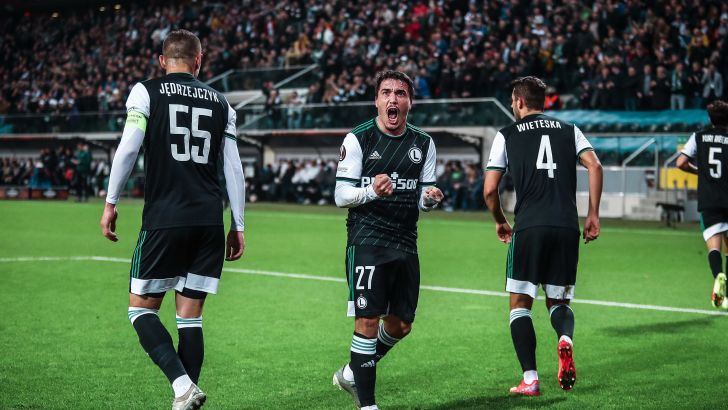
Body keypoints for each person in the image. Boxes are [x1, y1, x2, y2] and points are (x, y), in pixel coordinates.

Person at [99, 30, 246, 410]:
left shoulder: (145, 92)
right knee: (190, 319)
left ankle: (182, 386)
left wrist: (111, 201)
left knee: (140, 309)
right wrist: (238, 225)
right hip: (209, 221)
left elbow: (128, 148)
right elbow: (234, 168)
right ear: (199, 61)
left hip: (166, 217)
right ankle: (186, 396)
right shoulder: (222, 103)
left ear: (162, 61)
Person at [483, 76, 603, 396]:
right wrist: (593, 214)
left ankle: (530, 379)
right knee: (558, 301)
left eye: (512, 100)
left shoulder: (507, 134)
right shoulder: (570, 130)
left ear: (520, 102)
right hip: (566, 226)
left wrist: (500, 221)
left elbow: (490, 190)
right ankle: (564, 338)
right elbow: (595, 166)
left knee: (520, 305)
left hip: (530, 226)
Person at [331, 70, 443, 410]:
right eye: (386, 93)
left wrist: (430, 199)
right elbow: (340, 195)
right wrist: (371, 190)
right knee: (367, 320)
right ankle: (367, 405)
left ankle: (352, 371)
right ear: (377, 100)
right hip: (367, 237)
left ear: (410, 102)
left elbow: (422, 196)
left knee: (401, 325)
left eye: (400, 93)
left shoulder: (423, 143)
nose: (393, 99)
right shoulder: (358, 138)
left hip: (406, 241)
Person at [676, 100, 728, 309]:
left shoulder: (698, 136)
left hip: (709, 199)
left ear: (710, 118)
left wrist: (699, 171)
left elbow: (680, 163)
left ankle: (719, 276)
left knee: (714, 246)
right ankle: (726, 295)